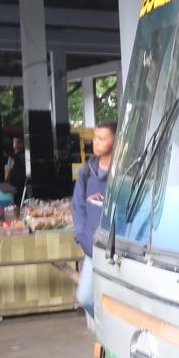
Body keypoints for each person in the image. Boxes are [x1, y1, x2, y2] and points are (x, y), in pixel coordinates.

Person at [71, 122, 115, 318]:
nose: (95, 142)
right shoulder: (86, 172)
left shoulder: (124, 174)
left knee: (116, 302)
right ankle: (104, 326)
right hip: (92, 248)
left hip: (117, 252)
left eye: (101, 138)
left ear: (115, 141)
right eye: (95, 138)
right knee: (85, 298)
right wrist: (83, 237)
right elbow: (78, 207)